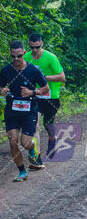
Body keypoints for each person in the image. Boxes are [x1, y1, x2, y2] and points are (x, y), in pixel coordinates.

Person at [0, 40, 49, 181]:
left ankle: (32, 148)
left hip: (29, 111)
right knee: (12, 141)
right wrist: (2, 91)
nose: (16, 59)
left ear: (24, 53)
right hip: (12, 111)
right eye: (13, 56)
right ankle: (22, 171)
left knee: (25, 143)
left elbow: (46, 89)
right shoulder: (6, 70)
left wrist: (32, 92)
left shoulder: (33, 70)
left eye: (19, 56)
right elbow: (0, 87)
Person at [25, 33, 65, 168]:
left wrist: (43, 77)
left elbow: (62, 77)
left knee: (48, 124)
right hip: (35, 96)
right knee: (34, 125)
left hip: (51, 96)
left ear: (42, 43)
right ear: (29, 45)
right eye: (32, 47)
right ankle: (37, 158)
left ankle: (53, 139)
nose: (34, 50)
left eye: (37, 47)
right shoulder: (26, 57)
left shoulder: (51, 58)